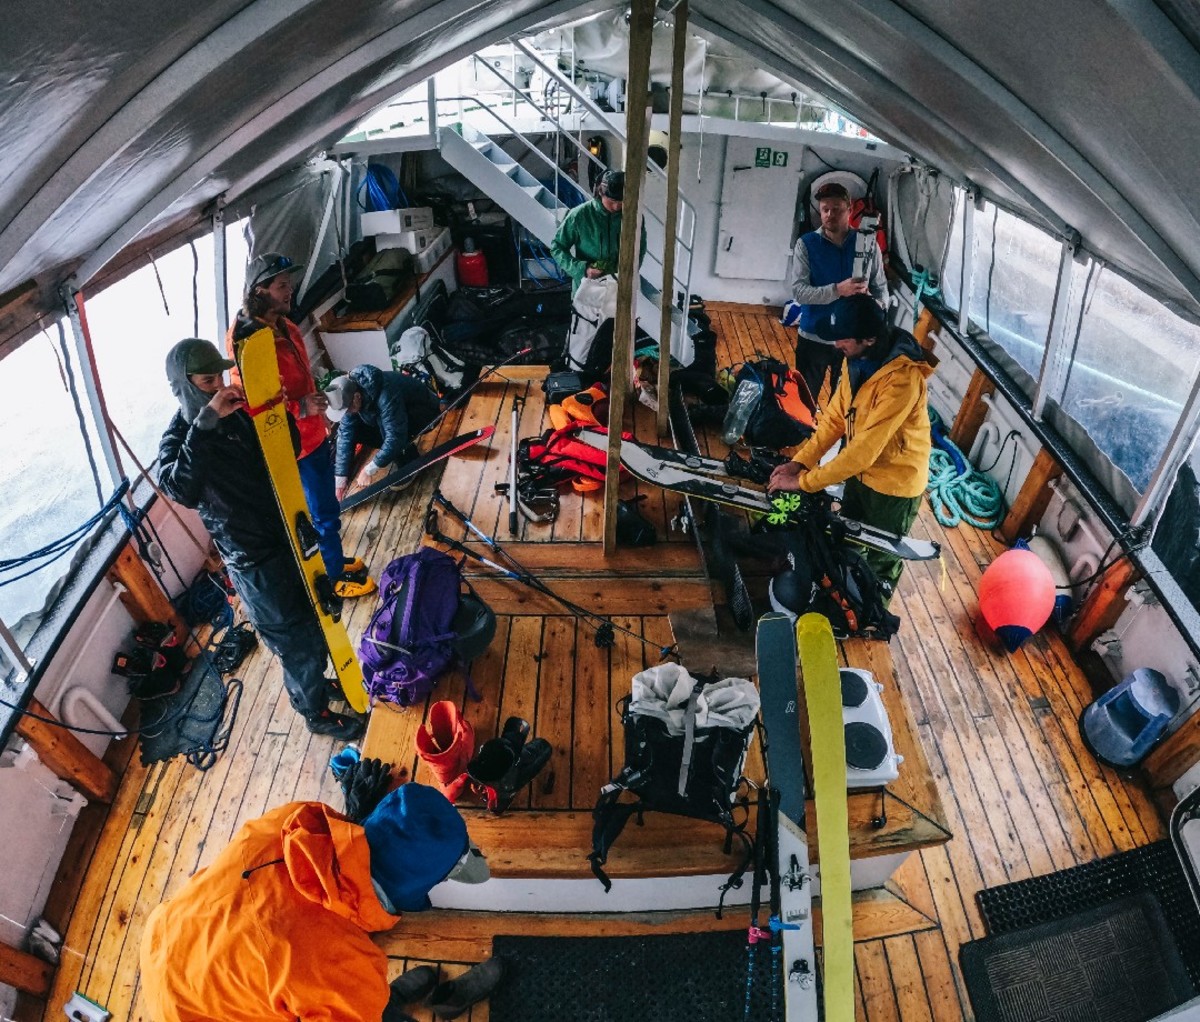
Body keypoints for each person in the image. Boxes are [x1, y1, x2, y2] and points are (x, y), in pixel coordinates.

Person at [139, 781, 504, 1022]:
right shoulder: (340, 962)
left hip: (171, 943)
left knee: (350, 995)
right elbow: (309, 953)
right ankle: (390, 1007)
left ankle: (378, 1003)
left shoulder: (295, 820)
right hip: (203, 1012)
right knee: (349, 1000)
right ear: (408, 893)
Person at [158, 338, 364, 740]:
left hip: (287, 534)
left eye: (219, 375)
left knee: (316, 617)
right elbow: (179, 488)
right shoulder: (181, 436)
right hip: (252, 559)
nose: (217, 386)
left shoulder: (236, 414)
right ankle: (314, 711)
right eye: (206, 380)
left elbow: (282, 450)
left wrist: (276, 412)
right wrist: (205, 424)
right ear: (184, 384)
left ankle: (318, 683)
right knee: (292, 637)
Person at [227, 252, 375, 599]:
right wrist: (299, 407)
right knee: (321, 512)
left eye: (289, 284)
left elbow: (301, 379)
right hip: (295, 446)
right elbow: (251, 404)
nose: (289, 291)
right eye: (282, 286)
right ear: (260, 291)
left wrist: (316, 408)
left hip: (313, 434)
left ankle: (333, 560)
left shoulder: (286, 325)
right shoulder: (247, 344)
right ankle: (334, 576)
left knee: (326, 508)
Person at [768, 295, 934, 596]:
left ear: (869, 339)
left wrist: (804, 483)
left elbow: (862, 453)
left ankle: (872, 618)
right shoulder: (855, 360)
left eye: (842, 339)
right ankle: (847, 598)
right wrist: (800, 462)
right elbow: (834, 419)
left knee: (881, 557)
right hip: (861, 477)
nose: (835, 346)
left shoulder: (903, 381)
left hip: (894, 488)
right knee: (851, 540)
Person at [790, 181, 889, 404]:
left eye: (836, 209)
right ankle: (803, 438)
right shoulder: (806, 244)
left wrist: (873, 303)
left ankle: (833, 438)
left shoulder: (867, 245)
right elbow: (799, 292)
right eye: (825, 209)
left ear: (850, 209)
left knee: (842, 402)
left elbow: (882, 289)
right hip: (814, 336)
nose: (829, 215)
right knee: (804, 400)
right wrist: (837, 290)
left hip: (851, 341)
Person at [326, 365, 441, 501]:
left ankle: (409, 457)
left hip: (424, 413)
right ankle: (400, 452)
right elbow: (345, 435)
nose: (348, 413)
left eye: (349, 409)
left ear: (357, 396)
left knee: (392, 434)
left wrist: (369, 469)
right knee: (354, 431)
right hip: (396, 418)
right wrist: (340, 479)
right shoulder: (351, 398)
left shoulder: (385, 392)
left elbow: (395, 436)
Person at [550, 170, 647, 294]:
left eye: (622, 202)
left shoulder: (634, 217)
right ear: (600, 193)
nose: (617, 207)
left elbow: (640, 247)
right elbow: (557, 247)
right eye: (612, 202)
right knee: (586, 312)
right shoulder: (580, 215)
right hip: (587, 290)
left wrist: (630, 272)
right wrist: (582, 269)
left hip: (619, 289)